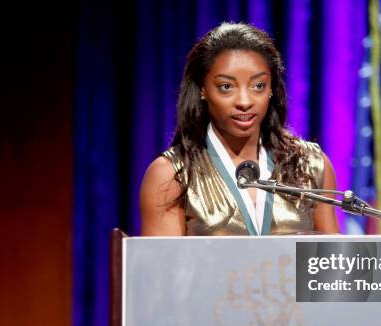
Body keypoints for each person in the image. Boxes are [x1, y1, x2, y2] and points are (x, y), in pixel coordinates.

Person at [140, 22, 339, 236]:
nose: (244, 101)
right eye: (226, 87)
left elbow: (333, 264)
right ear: (203, 90)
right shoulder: (172, 175)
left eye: (258, 86)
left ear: (271, 89)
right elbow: (163, 268)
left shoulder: (310, 165)